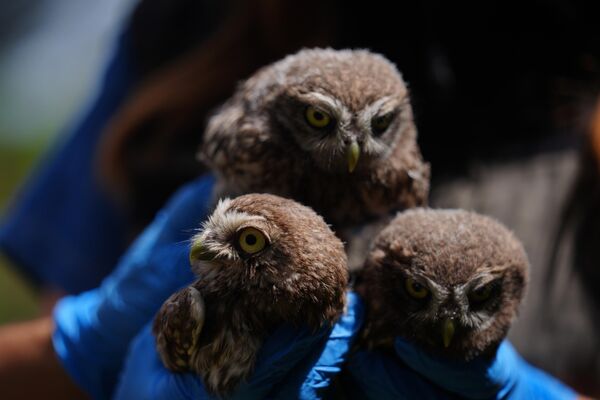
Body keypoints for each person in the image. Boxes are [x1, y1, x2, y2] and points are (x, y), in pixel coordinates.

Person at [0, 0, 595, 398]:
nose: (354, 156)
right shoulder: (192, 23)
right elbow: (48, 361)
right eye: (316, 120)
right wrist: (85, 345)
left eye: (380, 131)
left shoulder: (576, 70)